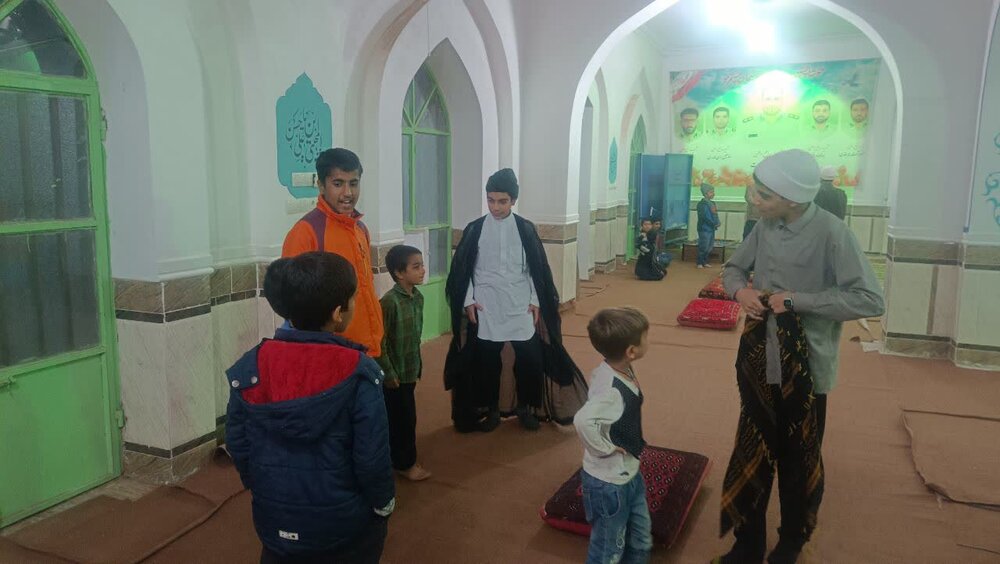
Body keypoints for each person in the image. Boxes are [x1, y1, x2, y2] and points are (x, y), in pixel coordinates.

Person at [716, 149, 884, 564]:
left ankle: (791, 541)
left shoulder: (833, 233)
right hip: (761, 359)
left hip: (807, 370)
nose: (754, 199)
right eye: (756, 190)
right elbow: (733, 269)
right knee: (752, 450)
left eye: (764, 194)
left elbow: (869, 299)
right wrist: (741, 291)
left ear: (792, 199)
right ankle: (747, 543)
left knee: (798, 459)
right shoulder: (765, 225)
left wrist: (797, 300)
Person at [225, 252, 395, 564]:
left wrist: (262, 485)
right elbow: (372, 457)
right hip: (344, 525)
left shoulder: (251, 366)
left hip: (274, 517)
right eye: (353, 299)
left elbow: (238, 443)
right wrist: (383, 502)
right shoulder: (358, 370)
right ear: (337, 313)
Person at [444, 168, 587, 433]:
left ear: (513, 201)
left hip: (520, 305)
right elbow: (463, 271)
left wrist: (535, 300)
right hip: (486, 305)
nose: (495, 207)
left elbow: (537, 270)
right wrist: (468, 301)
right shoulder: (475, 229)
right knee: (487, 362)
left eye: (502, 201)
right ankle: (491, 409)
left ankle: (525, 408)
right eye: (490, 200)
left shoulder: (525, 229)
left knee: (530, 359)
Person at [281, 148, 383, 357]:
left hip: (369, 347)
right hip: (332, 353)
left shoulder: (360, 229)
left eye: (353, 183)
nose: (348, 193)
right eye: (338, 184)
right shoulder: (306, 232)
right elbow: (293, 304)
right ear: (321, 186)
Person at [574, 307, 653, 564]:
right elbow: (582, 420)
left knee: (640, 540)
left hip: (629, 473)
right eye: (645, 337)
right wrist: (604, 448)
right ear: (631, 351)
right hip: (608, 484)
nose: (648, 341)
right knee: (608, 551)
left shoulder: (616, 367)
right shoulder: (611, 392)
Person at [377, 245, 431, 482]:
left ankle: (397, 457)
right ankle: (405, 464)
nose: (423, 270)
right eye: (416, 267)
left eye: (422, 265)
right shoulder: (389, 302)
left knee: (405, 416)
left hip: (410, 370)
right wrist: (389, 373)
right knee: (403, 420)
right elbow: (380, 342)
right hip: (395, 375)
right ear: (399, 273)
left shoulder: (417, 298)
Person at [696, 183, 721, 268]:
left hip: (711, 228)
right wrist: (713, 223)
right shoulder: (701, 204)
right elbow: (704, 217)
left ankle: (705, 261)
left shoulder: (713, 203)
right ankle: (700, 262)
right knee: (704, 245)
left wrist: (718, 222)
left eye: (713, 192)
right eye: (711, 192)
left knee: (710, 246)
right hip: (704, 229)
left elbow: (715, 214)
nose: (713, 194)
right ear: (705, 193)